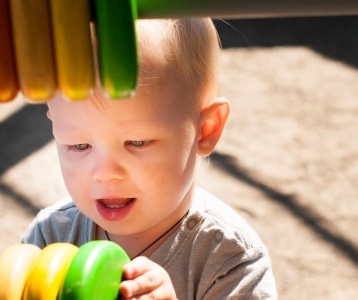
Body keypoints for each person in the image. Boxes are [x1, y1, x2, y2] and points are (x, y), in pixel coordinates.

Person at [21, 18, 277, 299]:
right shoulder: (49, 239)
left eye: (137, 142)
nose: (105, 173)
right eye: (79, 145)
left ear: (206, 130)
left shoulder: (230, 261)